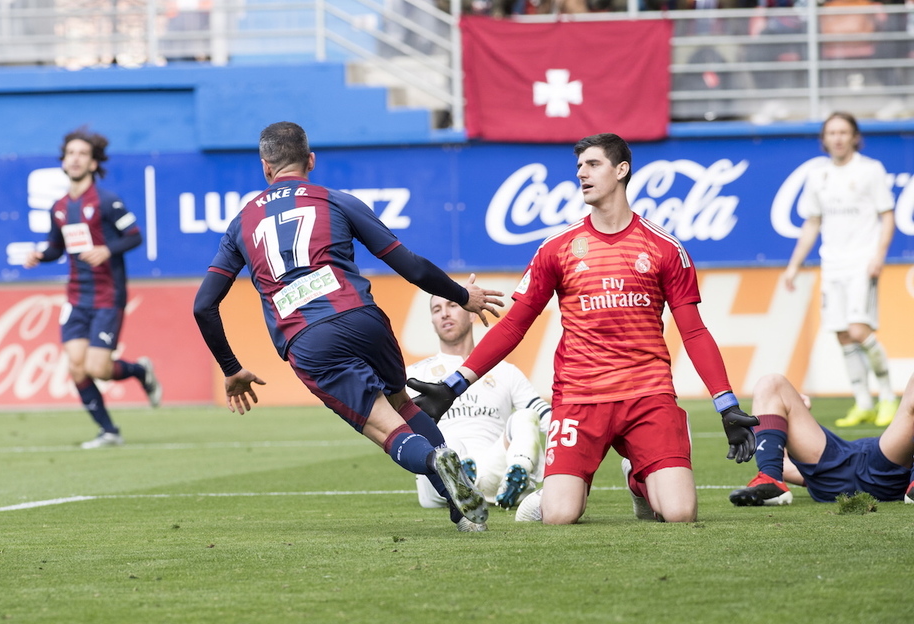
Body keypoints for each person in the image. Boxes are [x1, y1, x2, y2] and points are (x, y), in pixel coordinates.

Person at [408, 133, 759, 525]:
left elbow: (693, 332)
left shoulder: (664, 248)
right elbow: (513, 326)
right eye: (579, 167)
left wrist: (726, 404)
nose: (582, 174)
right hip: (579, 397)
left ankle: (639, 479)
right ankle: (555, 494)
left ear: (621, 169)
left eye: (593, 165)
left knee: (679, 513)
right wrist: (456, 383)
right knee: (560, 516)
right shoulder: (557, 248)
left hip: (648, 393)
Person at [192, 121, 505, 531]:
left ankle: (433, 460)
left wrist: (232, 369)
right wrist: (464, 297)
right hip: (365, 319)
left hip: (309, 337)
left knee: (384, 428)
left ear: (265, 168)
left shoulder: (241, 224)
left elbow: (204, 306)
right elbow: (409, 265)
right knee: (401, 405)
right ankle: (461, 506)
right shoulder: (336, 201)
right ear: (310, 160)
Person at [22, 128, 162, 449]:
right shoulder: (58, 207)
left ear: (94, 163)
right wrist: (40, 254)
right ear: (63, 160)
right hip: (76, 296)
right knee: (76, 366)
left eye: (82, 154)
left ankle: (140, 371)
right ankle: (109, 431)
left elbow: (135, 236)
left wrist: (107, 250)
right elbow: (57, 248)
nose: (75, 159)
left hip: (107, 296)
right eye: (70, 153)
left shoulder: (107, 202)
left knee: (98, 367)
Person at [783, 112, 898, 428]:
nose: (837, 138)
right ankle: (863, 403)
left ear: (854, 137)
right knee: (844, 335)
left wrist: (879, 256)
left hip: (862, 262)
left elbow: (887, 216)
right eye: (831, 132)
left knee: (861, 330)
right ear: (824, 139)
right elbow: (812, 223)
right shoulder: (818, 176)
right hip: (831, 264)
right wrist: (794, 265)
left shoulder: (870, 170)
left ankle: (888, 397)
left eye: (843, 132)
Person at [407, 295, 552, 511]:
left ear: (473, 313)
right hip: (440, 477)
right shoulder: (417, 374)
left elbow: (545, 416)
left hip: (493, 470)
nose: (444, 313)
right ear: (433, 321)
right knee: (448, 444)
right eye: (437, 309)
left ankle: (514, 476)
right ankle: (460, 478)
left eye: (453, 305)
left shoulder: (505, 371)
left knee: (524, 417)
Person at [729, 372, 914, 506]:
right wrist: (790, 417)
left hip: (872, 466)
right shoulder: (792, 465)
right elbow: (780, 458)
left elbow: (784, 461)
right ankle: (770, 480)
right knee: (770, 383)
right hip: (832, 471)